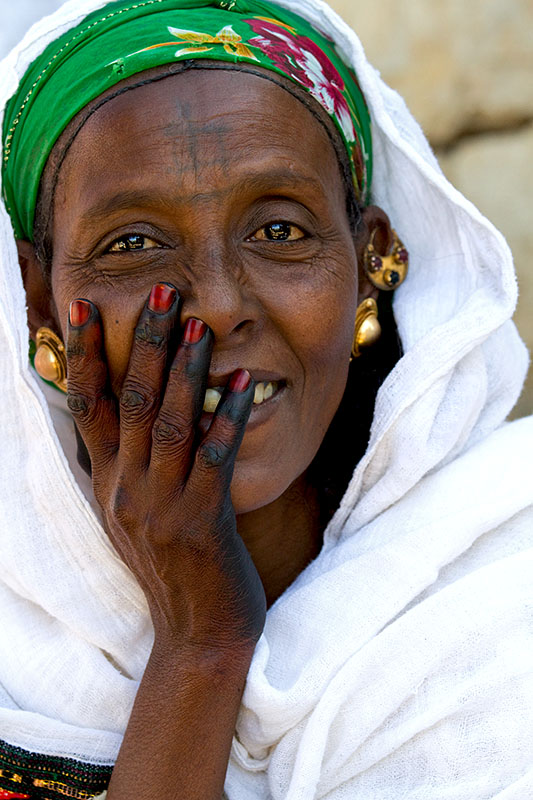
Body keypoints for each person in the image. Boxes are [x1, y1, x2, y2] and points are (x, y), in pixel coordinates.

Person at [0, 0, 532, 798]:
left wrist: (201, 643)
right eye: (133, 244)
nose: (216, 304)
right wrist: (200, 641)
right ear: (38, 301)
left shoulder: (501, 605)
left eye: (279, 230)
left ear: (370, 260)